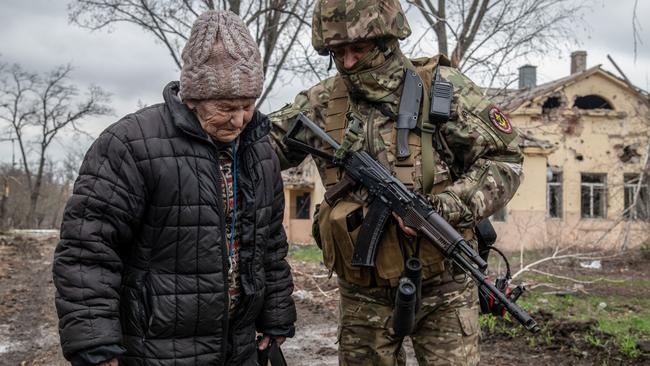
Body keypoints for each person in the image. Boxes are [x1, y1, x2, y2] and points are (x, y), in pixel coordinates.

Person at [268, 0, 523, 365]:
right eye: (338, 52)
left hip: (443, 287)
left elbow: (505, 161)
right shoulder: (322, 103)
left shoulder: (444, 90)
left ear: (389, 40)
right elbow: (261, 148)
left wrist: (447, 206)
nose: (349, 61)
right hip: (362, 293)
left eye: (360, 48)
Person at [53, 10, 296, 366]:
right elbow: (87, 251)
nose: (239, 119)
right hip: (155, 348)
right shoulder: (131, 145)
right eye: (227, 107)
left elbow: (270, 244)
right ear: (192, 97)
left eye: (248, 105)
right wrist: (95, 344)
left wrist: (276, 317)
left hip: (239, 349)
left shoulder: (260, 151)